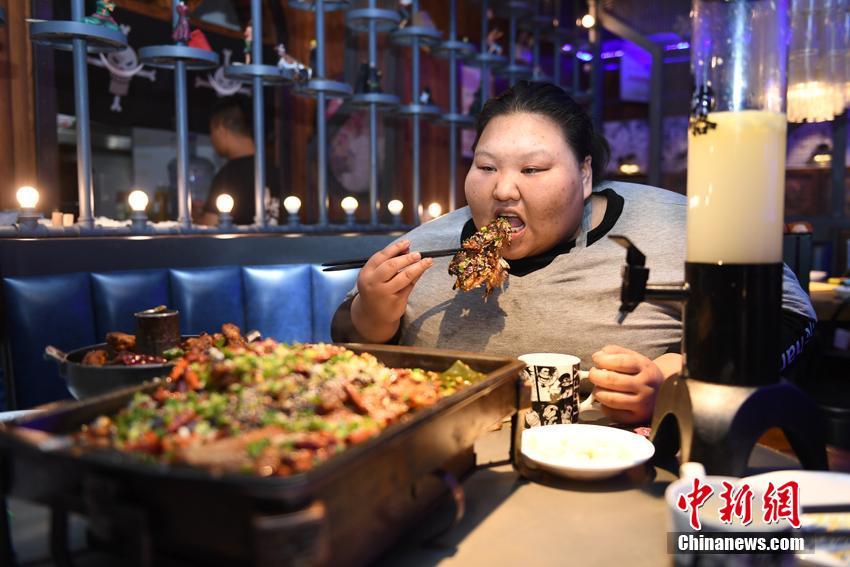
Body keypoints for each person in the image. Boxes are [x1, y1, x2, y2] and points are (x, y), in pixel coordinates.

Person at [331, 81, 816, 425]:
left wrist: (675, 380)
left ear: (584, 175)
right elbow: (349, 342)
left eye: (533, 169)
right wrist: (369, 316)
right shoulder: (424, 245)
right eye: (486, 166)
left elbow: (790, 317)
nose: (503, 189)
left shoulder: (672, 223)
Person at [202, 99, 280, 226]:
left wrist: (196, 218)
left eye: (212, 132)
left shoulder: (227, 177)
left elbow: (210, 225)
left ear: (220, 129)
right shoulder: (274, 171)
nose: (212, 139)